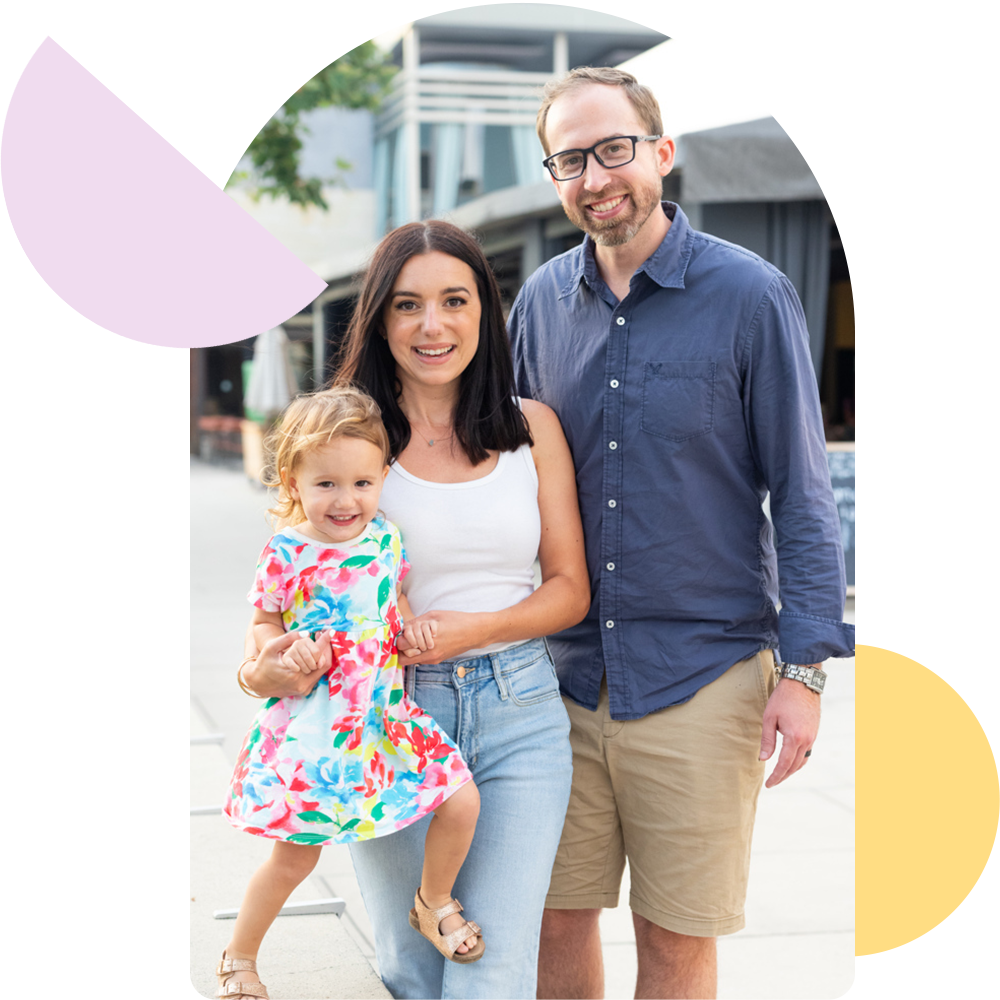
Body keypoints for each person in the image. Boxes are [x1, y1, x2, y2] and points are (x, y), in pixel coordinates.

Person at [505, 67, 856, 1000]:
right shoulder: (538, 302)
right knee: (551, 919)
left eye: (613, 148)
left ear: (661, 153)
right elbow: (505, 476)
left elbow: (803, 494)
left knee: (674, 936)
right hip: (560, 679)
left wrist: (806, 674)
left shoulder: (752, 295)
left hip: (702, 676)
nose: (595, 177)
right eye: (570, 159)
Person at [239, 219, 591, 1000]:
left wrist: (475, 630)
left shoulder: (532, 428)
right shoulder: (347, 440)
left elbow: (569, 589)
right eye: (408, 304)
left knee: (491, 969)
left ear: (483, 311)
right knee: (411, 969)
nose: (433, 325)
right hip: (382, 715)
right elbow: (281, 593)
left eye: (454, 301)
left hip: (521, 712)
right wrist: (265, 667)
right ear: (379, 318)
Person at [218, 386, 489, 1000]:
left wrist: (412, 628)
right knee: (295, 858)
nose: (346, 500)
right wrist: (280, 649)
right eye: (327, 484)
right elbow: (263, 622)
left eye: (362, 483)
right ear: (293, 482)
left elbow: (396, 602)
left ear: (384, 477)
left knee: (461, 800)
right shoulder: (287, 551)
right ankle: (240, 955)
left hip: (385, 718)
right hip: (317, 727)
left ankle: (433, 900)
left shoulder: (386, 538)